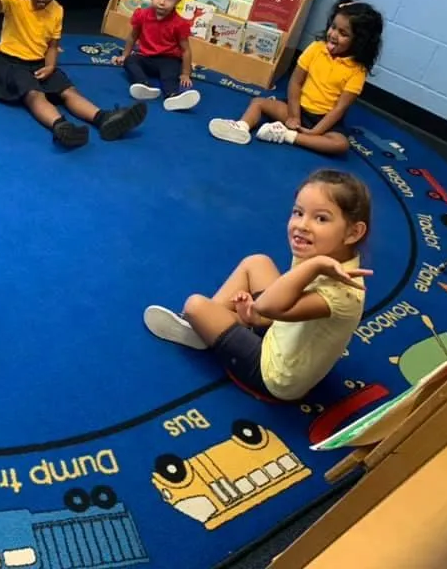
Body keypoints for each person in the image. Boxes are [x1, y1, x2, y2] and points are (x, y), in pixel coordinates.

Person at [142, 169, 372, 402]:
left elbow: (268, 307)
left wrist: (312, 268)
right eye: (298, 212)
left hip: (275, 375)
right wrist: (255, 318)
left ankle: (204, 328)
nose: (302, 225)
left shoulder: (341, 291)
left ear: (353, 232)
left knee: (196, 306)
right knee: (257, 262)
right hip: (281, 327)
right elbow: (272, 308)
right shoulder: (324, 249)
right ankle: (217, 326)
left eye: (321, 218)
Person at [0, 0, 147, 148]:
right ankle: (60, 126)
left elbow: (52, 45)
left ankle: (103, 118)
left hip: (40, 64)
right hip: (11, 64)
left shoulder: (57, 10)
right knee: (35, 95)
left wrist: (50, 66)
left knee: (69, 91)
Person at [208, 0, 384, 154]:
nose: (334, 35)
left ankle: (287, 136)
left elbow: (340, 108)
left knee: (340, 145)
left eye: (343, 33)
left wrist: (316, 131)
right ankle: (241, 126)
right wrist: (294, 115)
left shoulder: (357, 70)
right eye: (333, 27)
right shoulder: (315, 49)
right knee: (259, 103)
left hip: (324, 120)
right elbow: (295, 82)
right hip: (298, 109)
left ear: (359, 41)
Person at [113, 0, 200, 112]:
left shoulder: (179, 23)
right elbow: (133, 36)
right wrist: (124, 55)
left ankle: (172, 96)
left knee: (170, 73)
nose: (162, 2)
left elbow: (186, 50)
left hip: (169, 59)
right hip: (146, 57)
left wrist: (186, 73)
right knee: (130, 61)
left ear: (178, 0)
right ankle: (144, 86)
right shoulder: (142, 15)